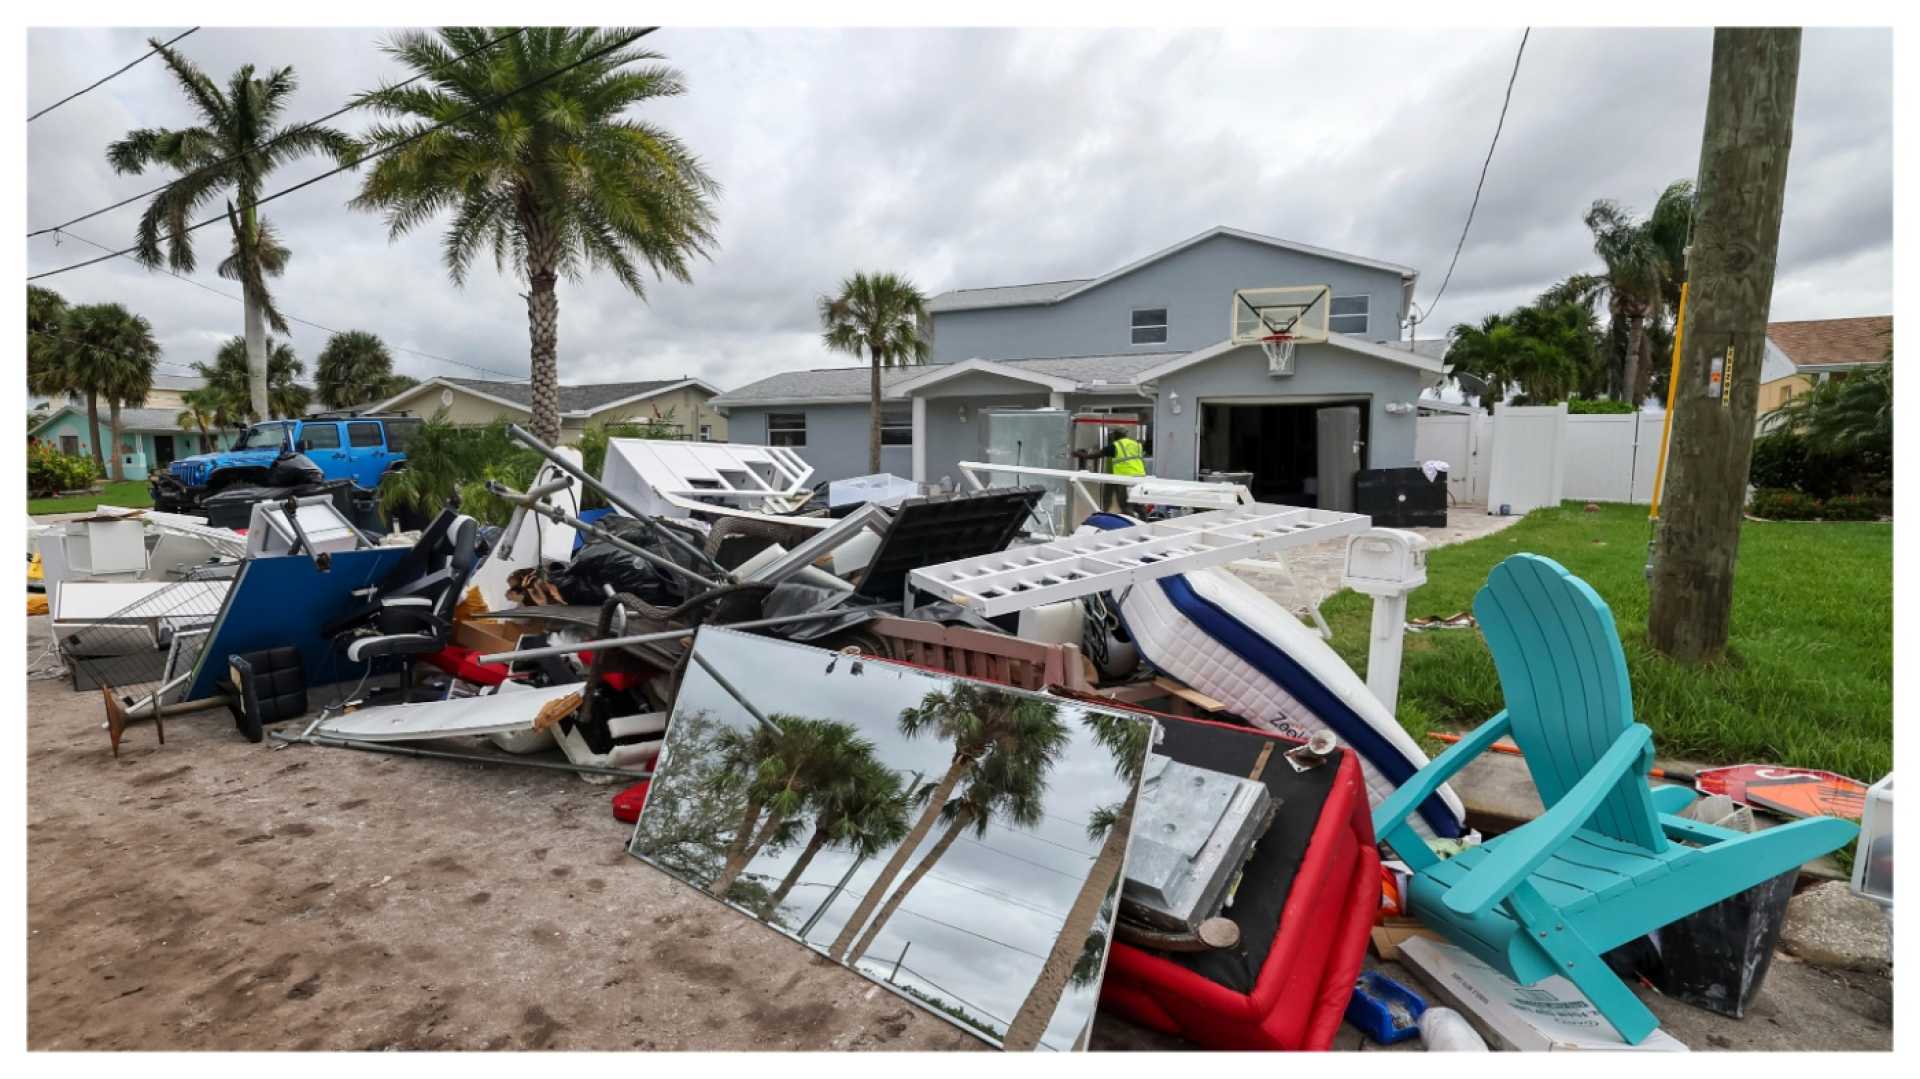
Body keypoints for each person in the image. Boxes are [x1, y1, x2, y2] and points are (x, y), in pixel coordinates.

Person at [1074, 427, 1147, 512]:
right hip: (1140, 478)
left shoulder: (1116, 446)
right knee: (1139, 505)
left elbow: (1095, 455)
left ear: (1116, 435)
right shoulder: (1136, 444)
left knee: (1125, 505)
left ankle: (1130, 524)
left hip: (1125, 479)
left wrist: (1080, 455)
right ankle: (1144, 523)